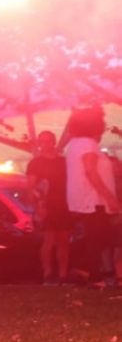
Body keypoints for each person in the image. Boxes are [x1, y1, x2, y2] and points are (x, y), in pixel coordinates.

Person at [63, 105, 120, 283]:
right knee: (98, 238)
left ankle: (92, 274)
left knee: (97, 237)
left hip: (87, 198)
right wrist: (110, 198)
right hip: (93, 200)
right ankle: (89, 273)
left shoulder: (75, 144)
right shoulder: (88, 144)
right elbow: (91, 172)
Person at [26, 130, 73, 285]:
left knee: (64, 240)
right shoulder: (35, 163)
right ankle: (47, 273)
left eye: (48, 141)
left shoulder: (64, 162)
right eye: (42, 142)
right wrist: (37, 206)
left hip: (63, 204)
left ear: (53, 142)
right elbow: (31, 187)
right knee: (49, 240)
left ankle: (63, 274)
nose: (45, 144)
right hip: (46, 204)